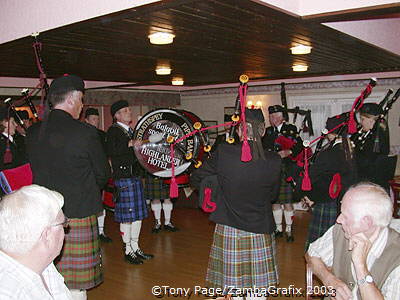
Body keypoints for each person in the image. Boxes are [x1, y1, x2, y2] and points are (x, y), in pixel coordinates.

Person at [26, 74, 110, 300]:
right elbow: (103, 174)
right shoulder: (86, 133)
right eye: (81, 99)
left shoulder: (33, 133)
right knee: (76, 284)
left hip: (43, 215)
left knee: (50, 276)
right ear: (72, 99)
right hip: (77, 215)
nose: (82, 106)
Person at [191, 108, 281, 300]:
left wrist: (217, 189)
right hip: (261, 227)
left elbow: (197, 179)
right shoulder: (274, 160)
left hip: (229, 226)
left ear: (240, 131)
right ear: (263, 131)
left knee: (232, 289)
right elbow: (273, 196)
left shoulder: (224, 152)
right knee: (258, 291)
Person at [306, 182, 400, 300]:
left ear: (367, 222)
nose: (339, 220)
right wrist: (329, 280)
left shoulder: (396, 259)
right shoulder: (341, 231)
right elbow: (312, 255)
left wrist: (360, 267)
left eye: (345, 216)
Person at [0, 184, 72, 300]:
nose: (66, 229)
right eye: (63, 224)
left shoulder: (42, 263)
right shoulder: (10, 293)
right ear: (47, 236)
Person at [106, 100, 153, 265]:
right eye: (125, 111)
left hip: (135, 177)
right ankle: (127, 250)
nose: (129, 112)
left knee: (137, 216)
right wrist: (130, 143)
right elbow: (111, 150)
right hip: (124, 178)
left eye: (129, 110)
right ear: (117, 115)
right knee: (127, 218)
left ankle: (136, 246)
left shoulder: (131, 131)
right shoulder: (113, 131)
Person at [302, 114, 357, 250]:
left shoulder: (329, 153)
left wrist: (311, 197)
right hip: (344, 201)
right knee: (337, 241)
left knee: (320, 245)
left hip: (326, 201)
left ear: (330, 133)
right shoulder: (350, 150)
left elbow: (318, 179)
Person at [262, 104, 303, 242]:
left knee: (287, 202)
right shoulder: (267, 132)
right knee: (275, 201)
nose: (273, 119)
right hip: (272, 170)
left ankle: (289, 229)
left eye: (276, 116)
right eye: (271, 116)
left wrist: (289, 151)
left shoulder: (291, 129)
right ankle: (278, 228)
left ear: (282, 117)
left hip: (286, 169)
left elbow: (300, 146)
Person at [84, 107, 112, 243]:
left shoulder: (102, 135)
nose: (96, 122)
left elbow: (106, 155)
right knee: (90, 204)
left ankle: (101, 231)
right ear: (86, 120)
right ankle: (91, 232)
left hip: (99, 174)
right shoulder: (81, 135)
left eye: (97, 119)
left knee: (101, 203)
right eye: (93, 119)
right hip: (87, 174)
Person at [352, 103, 394, 191]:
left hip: (373, 185)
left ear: (371, 120)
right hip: (369, 182)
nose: (361, 122)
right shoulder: (371, 134)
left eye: (362, 119)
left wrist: (352, 152)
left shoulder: (378, 136)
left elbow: (368, 160)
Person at [0, 106, 27, 171]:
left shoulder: (10, 140)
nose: (16, 124)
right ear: (5, 123)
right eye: (13, 122)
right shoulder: (3, 144)